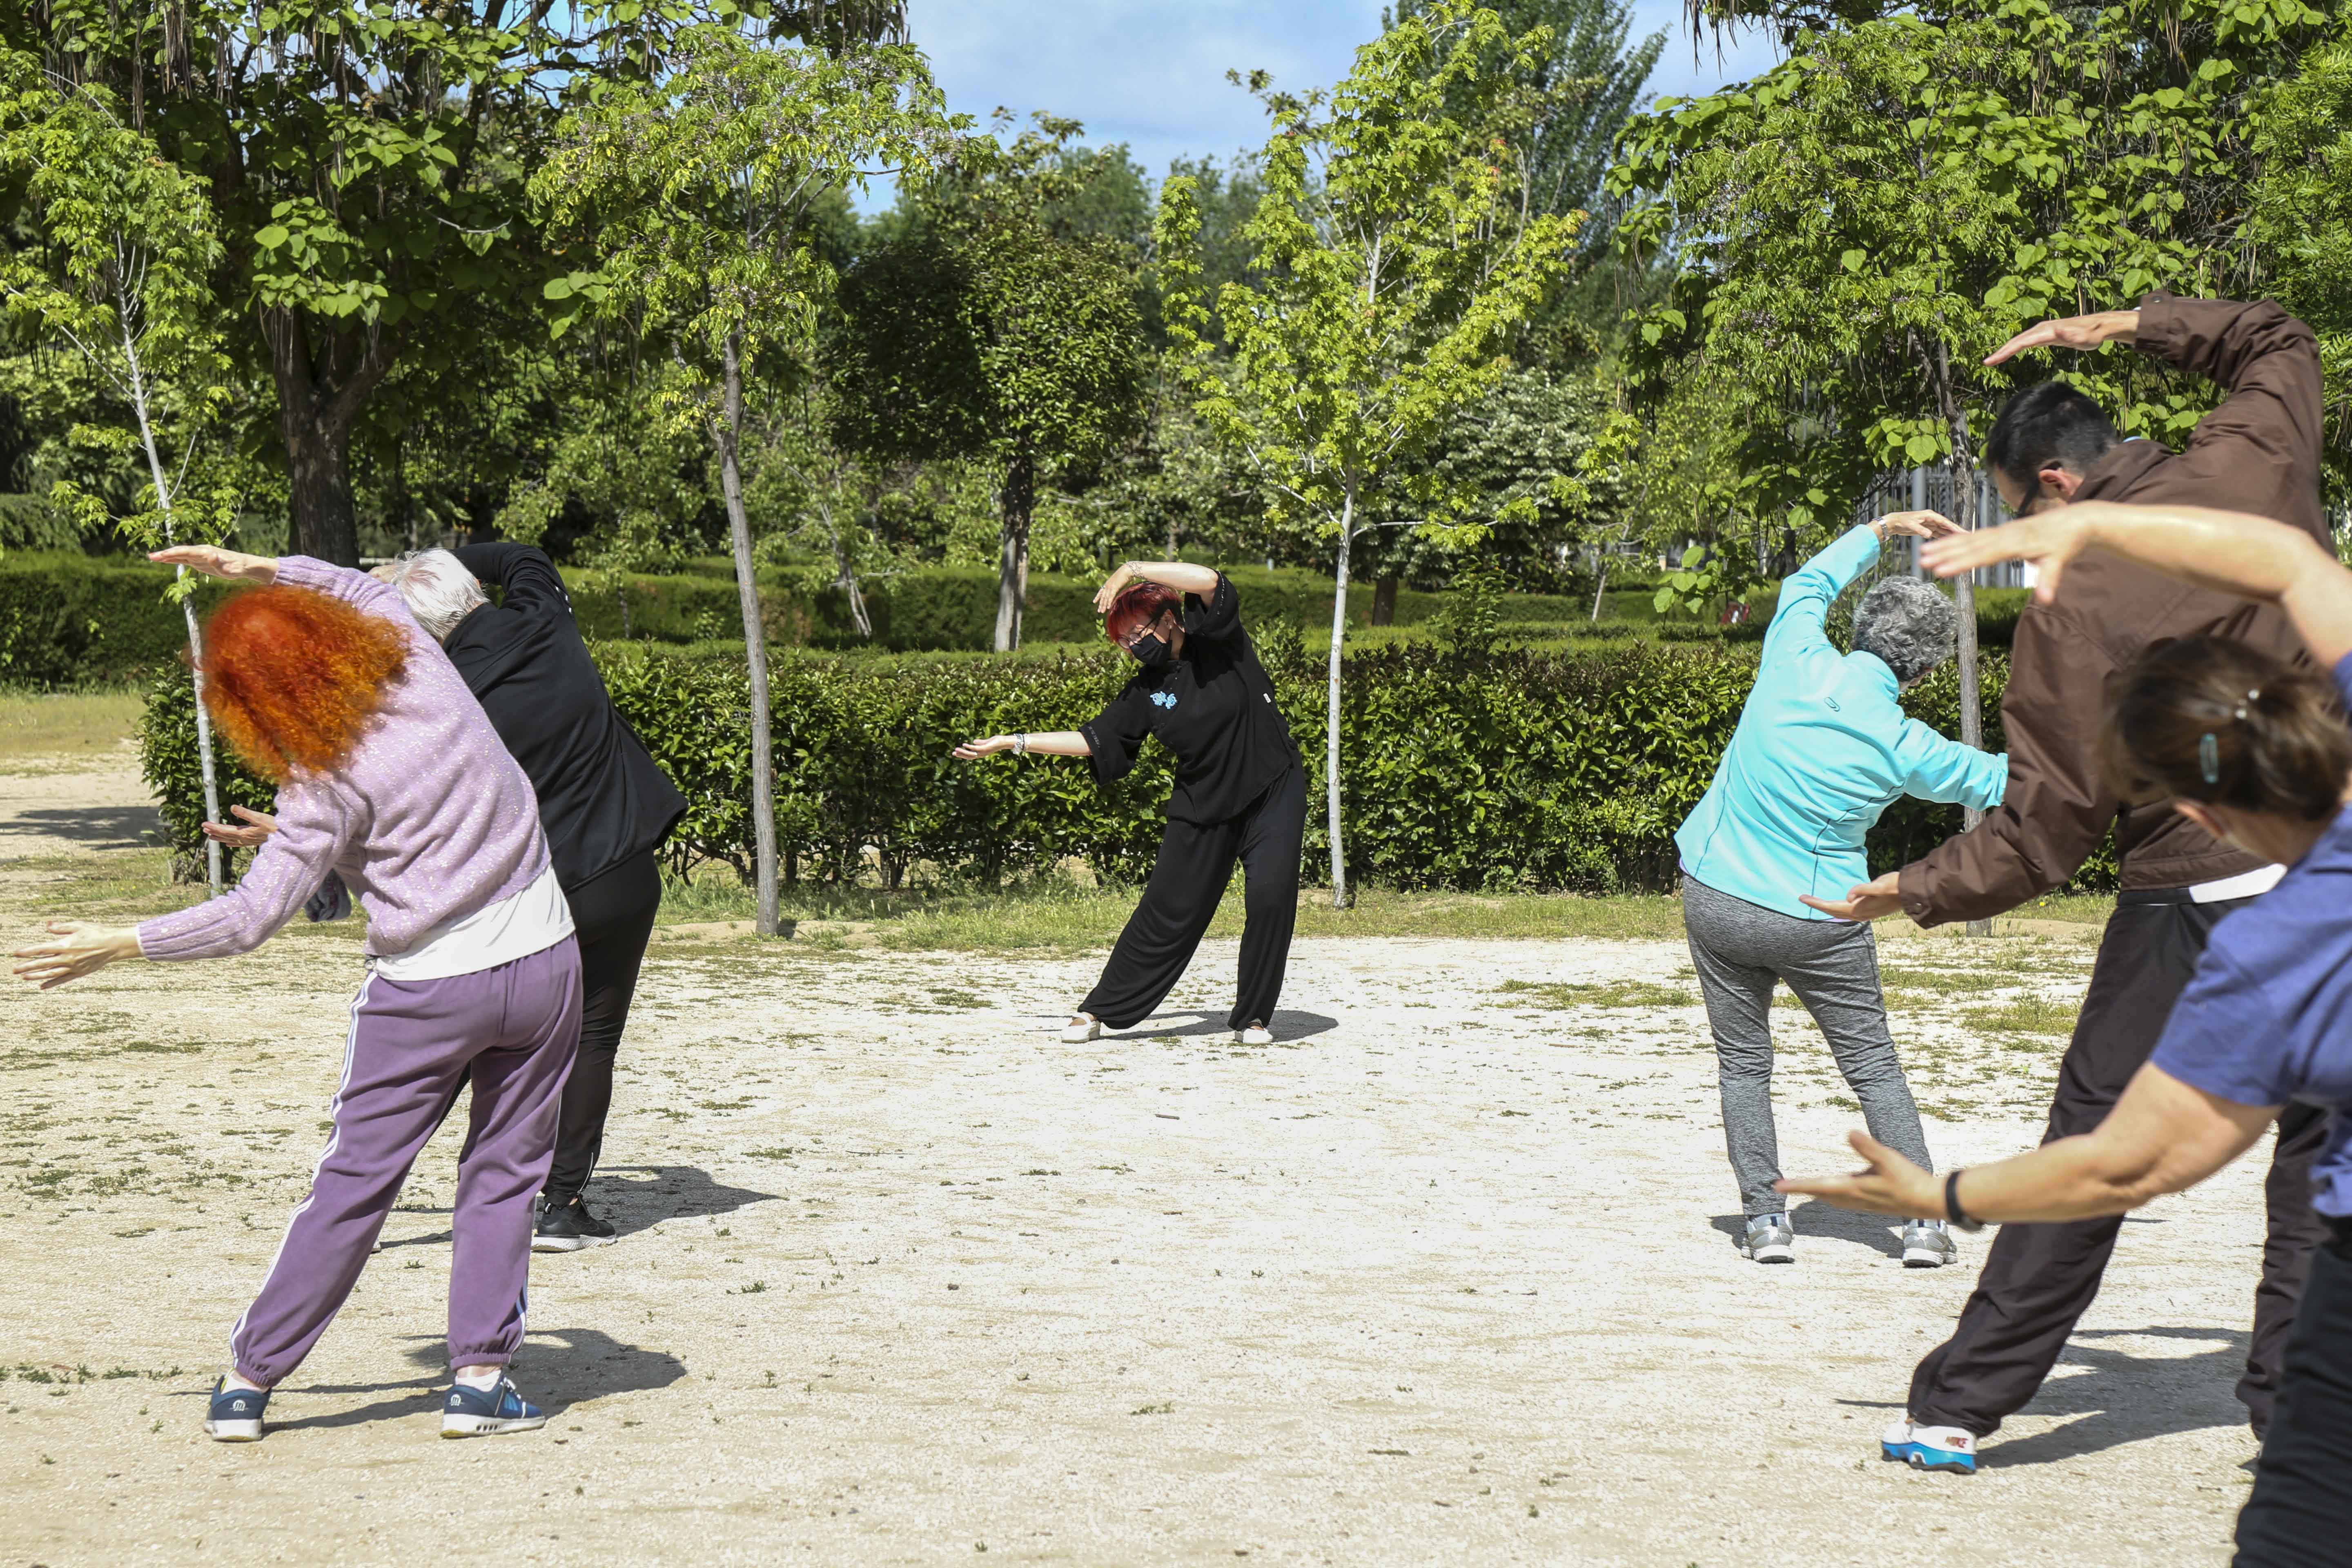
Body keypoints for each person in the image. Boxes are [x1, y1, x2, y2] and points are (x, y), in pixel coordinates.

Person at [1803, 296, 2330, 1471]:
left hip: (2196, 897)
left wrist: (1911, 888)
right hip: (2332, 876)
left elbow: (2045, 833)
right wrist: (2119, 325)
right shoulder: (2256, 460)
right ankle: (2295, 1416)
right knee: (2320, 1167)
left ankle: (1959, 1403)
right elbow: (2277, 339)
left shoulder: (2069, 604)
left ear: (2051, 485)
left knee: (2093, 1148)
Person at [11, 544, 578, 1443]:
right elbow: (357, 586)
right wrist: (251, 564)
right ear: (334, 637)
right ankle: (478, 1381)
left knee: (354, 1187)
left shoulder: (320, 783)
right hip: (543, 959)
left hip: (427, 991)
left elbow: (249, 919)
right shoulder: (414, 654)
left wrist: (122, 941)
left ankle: (249, 1381)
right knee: (505, 1175)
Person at [209, 544, 686, 1253]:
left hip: (524, 892)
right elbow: (525, 555)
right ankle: (562, 1206)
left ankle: (359, 1205)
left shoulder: (437, 696)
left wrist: (293, 833)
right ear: (470, 593)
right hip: (621, 871)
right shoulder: (544, 621)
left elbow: (395, 805)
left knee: (451, 1049)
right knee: (592, 1040)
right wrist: (433, 562)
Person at [1676, 510, 2007, 1267]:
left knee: (1744, 1064)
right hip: (1822, 916)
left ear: (1859, 633)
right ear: (1922, 674)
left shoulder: (1792, 655)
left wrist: (1882, 529)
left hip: (1718, 893)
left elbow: (1804, 583)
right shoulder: (1906, 744)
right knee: (1872, 1066)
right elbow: (1998, 781)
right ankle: (1923, 1223)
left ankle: (1764, 1222)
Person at [952, 561, 1305, 1046]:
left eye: (1137, 632)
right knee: (1167, 909)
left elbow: (1210, 582)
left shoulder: (1219, 643)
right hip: (1203, 804)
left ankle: (1254, 1018)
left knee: (1270, 894)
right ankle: (1101, 1009)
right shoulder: (1147, 689)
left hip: (1272, 788)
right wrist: (1013, 741)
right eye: (1122, 640)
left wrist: (1131, 570)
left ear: (1169, 620)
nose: (1131, 645)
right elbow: (1094, 739)